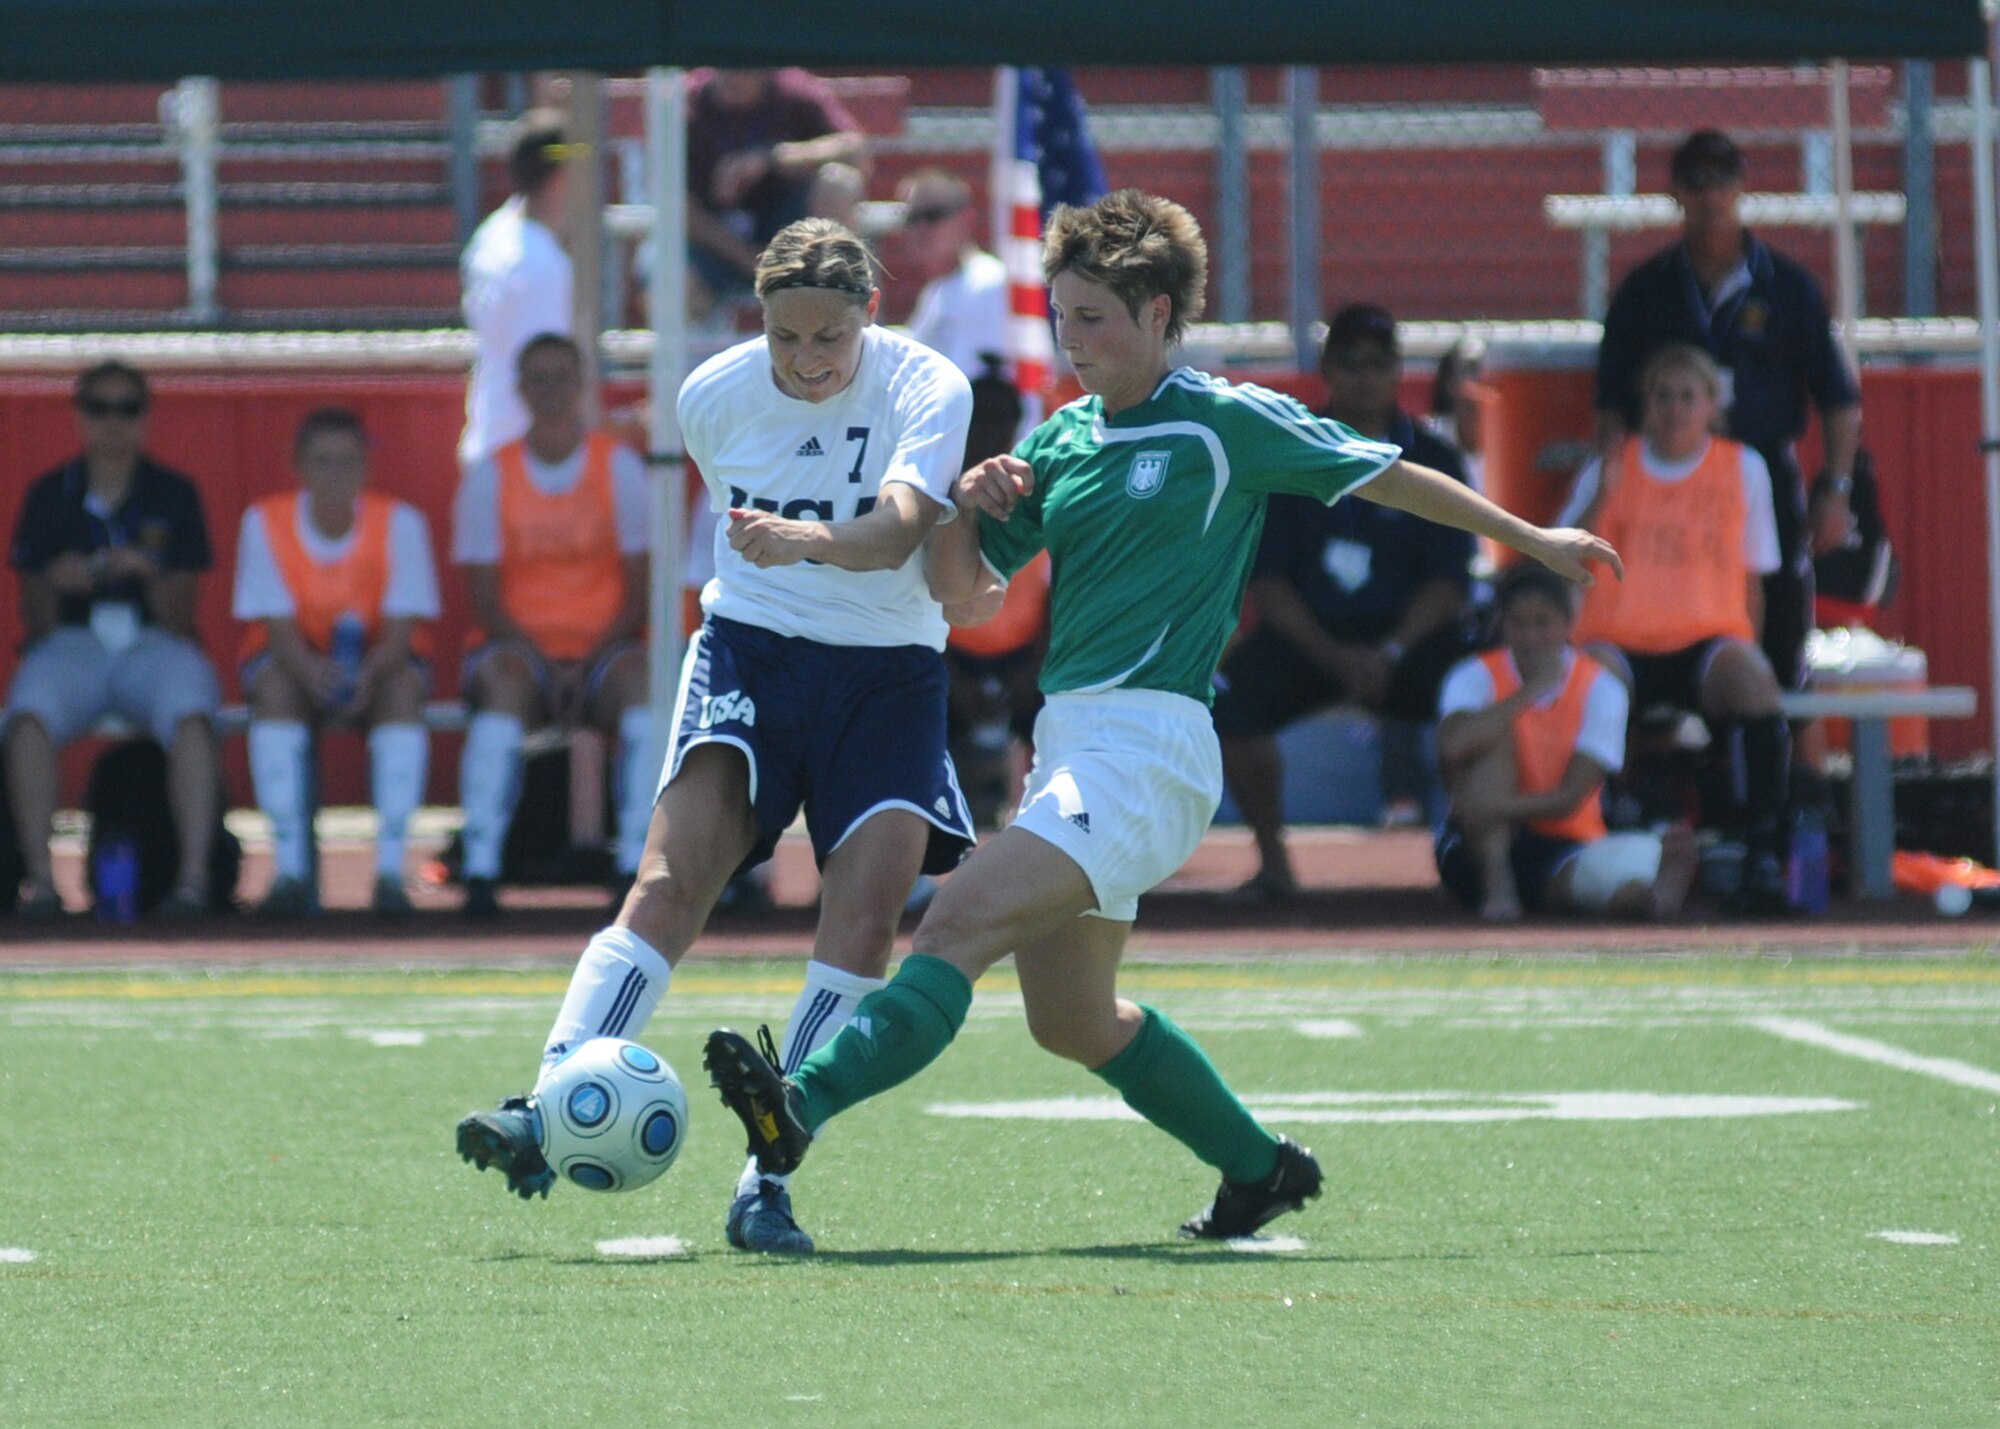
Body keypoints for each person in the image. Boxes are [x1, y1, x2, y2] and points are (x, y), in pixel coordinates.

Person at [702, 190, 1619, 1246]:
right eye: (1060, 315)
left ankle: (794, 1108)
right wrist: (970, 502)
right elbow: (963, 595)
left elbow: (1387, 477)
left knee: (951, 921)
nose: (1071, 340)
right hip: (1071, 752)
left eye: (1093, 317)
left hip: (1152, 751)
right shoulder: (1061, 439)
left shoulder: (1220, 420)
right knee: (1072, 1021)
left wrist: (1532, 538)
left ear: (1158, 315)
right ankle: (1259, 1168)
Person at [456, 218, 977, 1258]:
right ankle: (548, 1100)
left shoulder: (928, 388)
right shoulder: (713, 396)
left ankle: (766, 1177)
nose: (806, 359)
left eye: (828, 337)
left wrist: (803, 539)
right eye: (786, 337)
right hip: (751, 651)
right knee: (667, 879)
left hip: (888, 675)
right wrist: (779, 560)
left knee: (865, 916)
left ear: (867, 317)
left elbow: (892, 541)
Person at [1210, 303, 1476, 900]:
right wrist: (1332, 655)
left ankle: (1470, 860)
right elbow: (1267, 584)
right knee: (1223, 702)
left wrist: (1391, 649)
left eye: (1377, 363)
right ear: (1327, 369)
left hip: (1407, 644)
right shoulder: (1290, 454)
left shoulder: (1435, 459)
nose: (1364, 377)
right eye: (1349, 362)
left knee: (1477, 688)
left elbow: (1447, 583)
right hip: (1310, 640)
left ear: (1397, 371)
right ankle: (1275, 865)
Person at [1594, 128, 1863, 693]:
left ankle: (1777, 749)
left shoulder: (1786, 286)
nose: (1710, 194)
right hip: (1666, 480)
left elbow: (1838, 398)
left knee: (1780, 606)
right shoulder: (1647, 289)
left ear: (1742, 187)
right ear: (1676, 194)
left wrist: (1836, 486)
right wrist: (1612, 473)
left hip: (1760, 467)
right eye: (1696, 182)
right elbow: (1611, 399)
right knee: (1669, 612)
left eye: (1721, 180)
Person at [1562, 343, 1792, 912]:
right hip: (1620, 640)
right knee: (1595, 684)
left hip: (1705, 642)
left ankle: (1762, 843)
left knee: (1755, 681)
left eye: (1688, 396)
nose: (1674, 408)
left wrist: (1751, 650)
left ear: (1713, 405)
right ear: (1644, 403)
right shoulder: (1612, 465)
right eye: (1662, 396)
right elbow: (1563, 556)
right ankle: (1588, 832)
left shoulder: (1744, 468)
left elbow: (1754, 578)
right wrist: (1602, 492)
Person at [3, 361, 222, 919]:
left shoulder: (174, 493)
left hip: (150, 640)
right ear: (79, 416)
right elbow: (36, 622)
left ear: (146, 418)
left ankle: (194, 882)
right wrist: (58, 580)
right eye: (100, 406)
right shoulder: (50, 494)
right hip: (75, 642)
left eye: (128, 408)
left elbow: (181, 617)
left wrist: (147, 573)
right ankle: (43, 884)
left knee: (194, 715)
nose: (113, 421)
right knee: (26, 718)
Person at [450, 333, 655, 918]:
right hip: (520, 651)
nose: (550, 390)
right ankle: (481, 867)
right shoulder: (492, 474)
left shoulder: (618, 467)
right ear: (518, 389)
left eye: (562, 376)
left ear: (582, 387)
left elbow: (640, 588)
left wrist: (586, 664)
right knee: (504, 692)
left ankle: (634, 862)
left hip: (606, 652)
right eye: (537, 378)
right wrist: (545, 664)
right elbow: (485, 599)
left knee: (647, 691)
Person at [234, 407, 441, 918]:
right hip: (294, 663)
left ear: (366, 467)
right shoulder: (265, 521)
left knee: (402, 692)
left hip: (378, 663)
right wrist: (314, 673)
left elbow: (400, 632)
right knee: (276, 689)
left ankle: (391, 872)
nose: (336, 474)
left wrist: (366, 675)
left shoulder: (401, 523)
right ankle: (289, 871)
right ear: (300, 467)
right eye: (322, 461)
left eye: (348, 461)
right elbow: (277, 630)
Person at [1435, 564, 1697, 922]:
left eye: (1542, 624)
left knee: (1595, 887)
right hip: (1476, 846)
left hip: (1564, 841)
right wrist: (1529, 692)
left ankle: (1654, 898)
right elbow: (1454, 746)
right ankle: (1498, 876)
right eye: (1519, 624)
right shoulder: (1473, 675)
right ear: (1502, 624)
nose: (1531, 638)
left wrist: (1491, 807)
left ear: (1567, 624)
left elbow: (1570, 798)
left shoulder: (1601, 688)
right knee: (1488, 738)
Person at [684, 69, 868, 320]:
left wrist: (773, 158)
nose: (735, 73)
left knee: (839, 182)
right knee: (671, 280)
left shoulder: (793, 91)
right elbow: (678, 207)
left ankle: (835, 318)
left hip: (793, 237)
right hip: (717, 245)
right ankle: (696, 358)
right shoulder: (687, 103)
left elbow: (856, 151)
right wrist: (755, 261)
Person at [460, 109, 572, 470]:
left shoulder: (491, 234)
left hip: (492, 447)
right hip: (523, 465)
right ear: (558, 179)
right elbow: (547, 382)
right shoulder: (538, 264)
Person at [897, 167, 1010, 382]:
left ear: (966, 219)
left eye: (932, 216)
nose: (920, 229)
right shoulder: (935, 291)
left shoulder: (988, 284)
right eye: (911, 217)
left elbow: (984, 386)